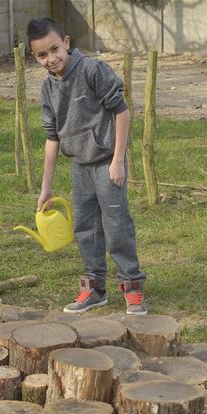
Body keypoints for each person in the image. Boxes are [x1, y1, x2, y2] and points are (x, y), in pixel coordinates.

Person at [28, 17, 147, 315]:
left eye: (54, 49)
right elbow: (52, 138)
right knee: (86, 228)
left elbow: (122, 112)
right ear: (35, 57)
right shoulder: (48, 90)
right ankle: (94, 289)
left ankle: (132, 287)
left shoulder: (93, 70)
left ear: (66, 42)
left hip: (108, 164)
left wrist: (118, 159)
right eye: (42, 55)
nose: (51, 59)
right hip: (80, 167)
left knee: (117, 225)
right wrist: (46, 187)